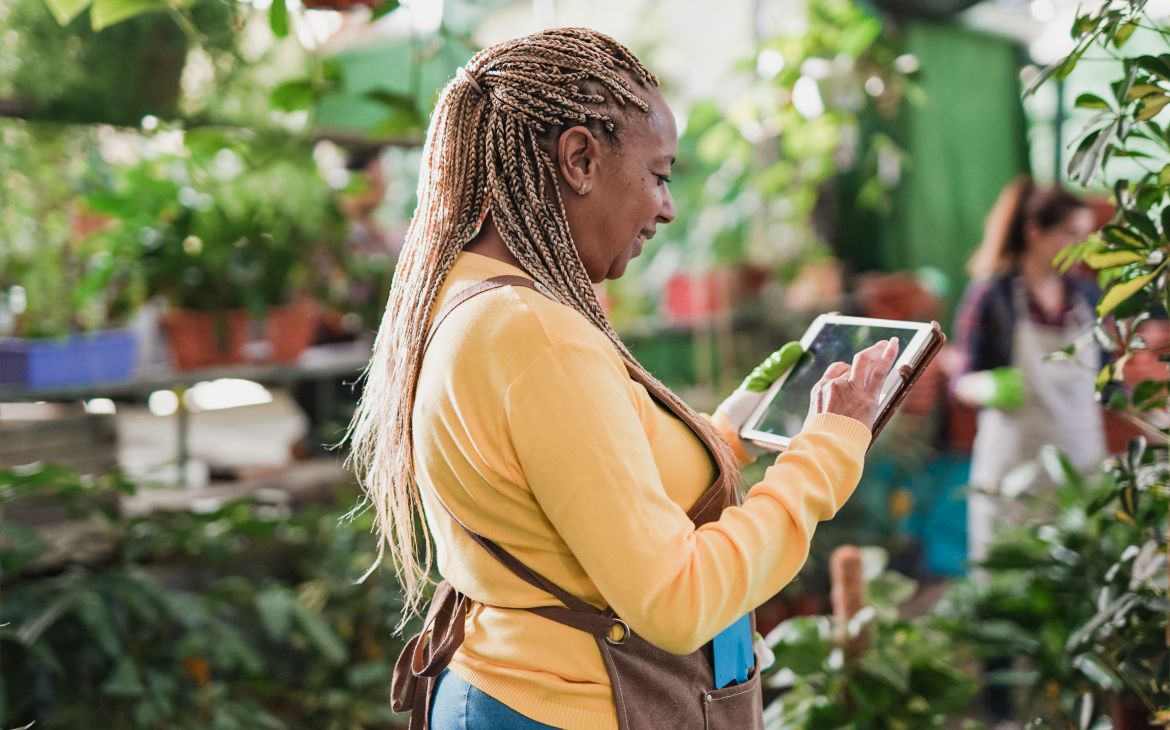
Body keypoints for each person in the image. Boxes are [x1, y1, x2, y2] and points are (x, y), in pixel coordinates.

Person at [347, 28, 898, 730]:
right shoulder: (535, 334)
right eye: (659, 174)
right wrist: (827, 454)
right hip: (571, 708)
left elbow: (565, 487)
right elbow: (677, 601)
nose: (667, 208)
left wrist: (722, 439)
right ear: (580, 157)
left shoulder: (474, 296)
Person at [954, 176, 1105, 568]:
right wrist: (985, 386)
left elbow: (1110, 379)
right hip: (1014, 465)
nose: (1081, 247)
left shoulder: (1087, 297)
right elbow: (962, 380)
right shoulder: (993, 296)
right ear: (1035, 231)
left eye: (1085, 236)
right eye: (1070, 234)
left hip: (1081, 462)